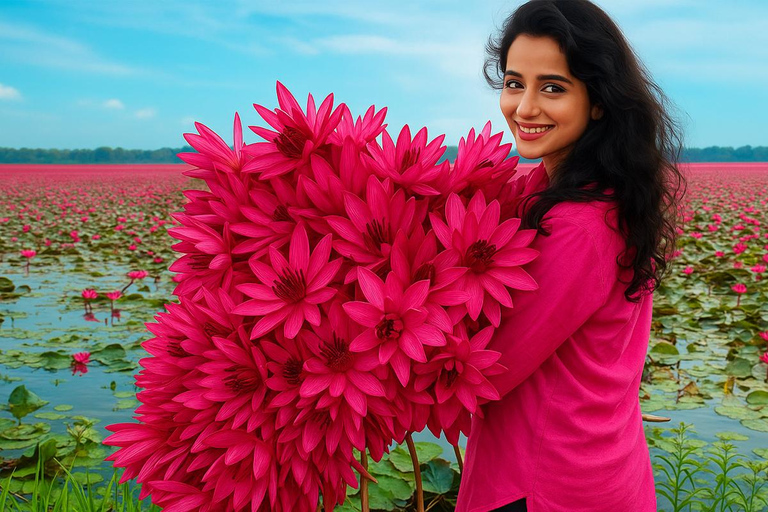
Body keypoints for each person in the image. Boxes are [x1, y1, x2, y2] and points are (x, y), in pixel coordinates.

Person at [454, 1, 687, 511]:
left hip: (545, 484)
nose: (524, 108)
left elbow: (486, 369)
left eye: (553, 88)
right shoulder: (586, 193)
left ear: (598, 100)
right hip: (597, 464)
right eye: (514, 83)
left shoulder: (581, 226)